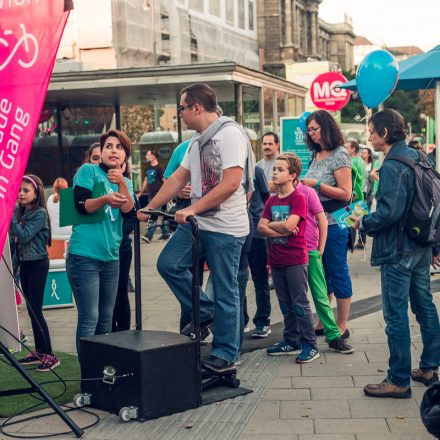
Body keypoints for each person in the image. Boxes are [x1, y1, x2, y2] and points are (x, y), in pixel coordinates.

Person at [138, 82, 254, 374]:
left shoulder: (230, 135)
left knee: (226, 290)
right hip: (198, 224)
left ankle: (226, 354)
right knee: (169, 264)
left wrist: (191, 208)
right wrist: (151, 207)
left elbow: (230, 183)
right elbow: (177, 179)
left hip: (226, 228)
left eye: (181, 108)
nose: (179, 114)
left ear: (196, 107)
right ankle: (209, 312)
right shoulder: (196, 142)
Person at [351, 109, 440, 398]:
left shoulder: (392, 164)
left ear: (384, 134)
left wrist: (363, 222)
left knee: (395, 314)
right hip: (420, 246)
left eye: (371, 132)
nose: (369, 137)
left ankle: (398, 379)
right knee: (424, 306)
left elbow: (389, 213)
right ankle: (429, 367)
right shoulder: (418, 157)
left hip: (398, 249)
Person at [66, 129, 134, 359]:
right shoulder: (89, 171)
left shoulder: (125, 182)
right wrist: (105, 198)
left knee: (106, 318)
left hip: (111, 258)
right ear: (102, 151)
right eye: (109, 146)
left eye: (120, 147)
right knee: (90, 317)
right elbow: (80, 205)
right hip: (84, 256)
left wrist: (121, 183)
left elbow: (128, 210)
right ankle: (87, 375)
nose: (114, 150)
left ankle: (102, 370)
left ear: (125, 156)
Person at [259, 154, 319, 363]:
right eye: (274, 169)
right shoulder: (271, 200)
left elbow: (286, 225)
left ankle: (310, 345)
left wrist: (274, 226)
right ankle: (291, 340)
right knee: (284, 304)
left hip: (295, 259)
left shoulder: (298, 199)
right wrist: (282, 230)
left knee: (299, 303)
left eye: (280, 169)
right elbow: (261, 227)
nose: (274, 172)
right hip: (276, 260)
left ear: (292, 175)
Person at [303, 110, 353, 339]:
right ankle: (325, 318)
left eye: (315, 128)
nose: (311, 133)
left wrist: (317, 184)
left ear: (326, 127)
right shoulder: (316, 154)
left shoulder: (339, 154)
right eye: (309, 130)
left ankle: (342, 324)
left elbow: (345, 193)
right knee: (322, 273)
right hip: (317, 223)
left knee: (337, 271)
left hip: (335, 222)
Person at [10, 175, 60, 371]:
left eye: (26, 191)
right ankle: (39, 351)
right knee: (31, 311)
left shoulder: (39, 214)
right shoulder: (19, 212)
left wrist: (12, 218)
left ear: (36, 192)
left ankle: (50, 354)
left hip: (38, 264)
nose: (21, 194)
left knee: (36, 310)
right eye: (20, 190)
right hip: (25, 265)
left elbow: (23, 236)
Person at [112, 161, 138, 332]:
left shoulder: (126, 184)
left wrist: (114, 234)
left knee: (120, 293)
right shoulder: (90, 181)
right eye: (95, 158)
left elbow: (132, 218)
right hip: (98, 248)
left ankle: (124, 334)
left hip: (121, 247)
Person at [247, 165, 271, 338]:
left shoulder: (256, 170)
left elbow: (266, 197)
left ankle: (263, 321)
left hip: (256, 231)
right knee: (238, 279)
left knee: (260, 278)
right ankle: (242, 321)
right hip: (235, 231)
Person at [138, 149, 169, 242]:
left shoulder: (160, 168)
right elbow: (146, 181)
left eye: (148, 155)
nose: (146, 157)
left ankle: (149, 235)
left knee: (153, 215)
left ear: (154, 156)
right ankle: (165, 233)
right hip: (150, 195)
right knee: (162, 215)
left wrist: (166, 194)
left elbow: (165, 181)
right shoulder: (148, 167)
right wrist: (140, 193)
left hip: (158, 195)